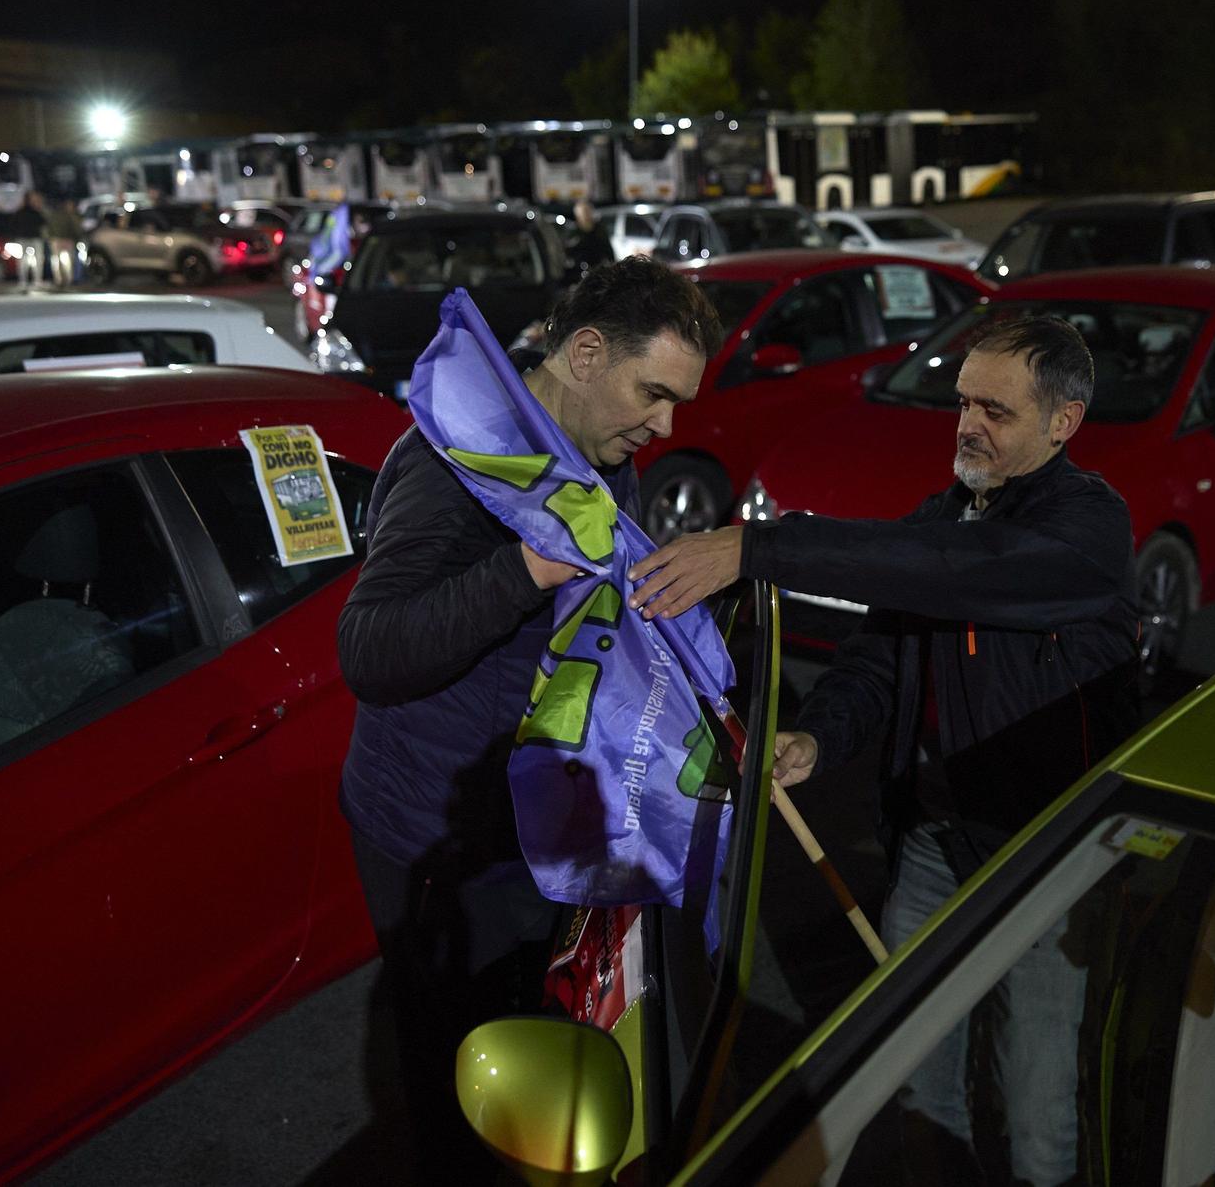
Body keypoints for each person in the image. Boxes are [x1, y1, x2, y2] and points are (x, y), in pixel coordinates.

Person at [627, 313, 1140, 1186]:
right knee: (913, 1068)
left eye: (997, 410)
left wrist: (757, 548)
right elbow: (878, 664)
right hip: (933, 846)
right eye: (964, 402)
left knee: (1038, 1095)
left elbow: (959, 567)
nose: (969, 424)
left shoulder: (1087, 530)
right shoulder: (942, 519)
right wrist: (817, 737)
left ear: (1064, 423)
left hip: (1043, 854)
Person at [336, 255, 723, 1181]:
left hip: (521, 831)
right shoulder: (455, 458)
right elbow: (370, 652)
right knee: (462, 1089)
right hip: (436, 837)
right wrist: (524, 571)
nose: (666, 425)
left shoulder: (586, 453)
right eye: (653, 392)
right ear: (585, 351)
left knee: (524, 1072)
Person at [565, 198, 612, 275]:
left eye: (587, 211)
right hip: (579, 272)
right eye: (583, 212)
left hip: (599, 269)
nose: (586, 215)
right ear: (578, 215)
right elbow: (569, 253)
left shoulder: (599, 230)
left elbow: (608, 249)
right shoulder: (573, 233)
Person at [44, 197, 83, 288]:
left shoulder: (54, 215)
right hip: (64, 239)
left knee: (60, 261)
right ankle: (66, 279)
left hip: (59, 239)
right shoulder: (70, 215)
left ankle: (61, 279)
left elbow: (49, 227)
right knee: (65, 261)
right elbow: (76, 228)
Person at [12, 191, 49, 289]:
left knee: (23, 260)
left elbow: (13, 223)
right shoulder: (34, 211)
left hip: (23, 237)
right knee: (37, 259)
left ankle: (23, 281)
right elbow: (43, 222)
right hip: (33, 237)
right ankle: (36, 281)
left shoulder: (20, 211)